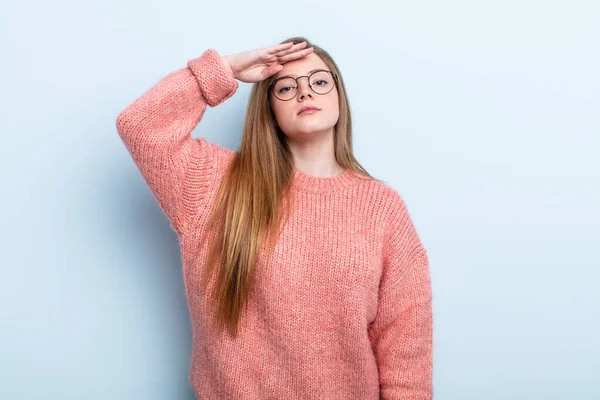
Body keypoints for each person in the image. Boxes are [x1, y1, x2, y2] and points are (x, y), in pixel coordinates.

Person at [116, 36, 432, 399]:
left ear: (339, 97)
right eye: (286, 87)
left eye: (319, 81)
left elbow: (405, 342)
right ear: (268, 109)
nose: (305, 93)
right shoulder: (214, 184)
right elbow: (140, 127)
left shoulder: (382, 207)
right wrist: (226, 69)